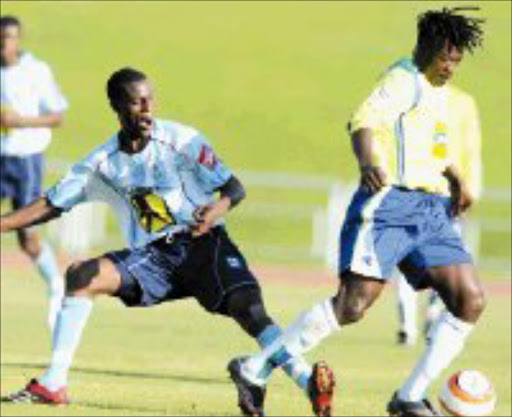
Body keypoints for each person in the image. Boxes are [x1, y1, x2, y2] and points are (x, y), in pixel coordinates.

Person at [0, 67, 328, 416]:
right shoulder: (101, 164)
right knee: (81, 276)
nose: (146, 108)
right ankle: (53, 384)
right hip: (154, 258)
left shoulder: (182, 140)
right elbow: (50, 205)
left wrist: (216, 210)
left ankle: (309, 384)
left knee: (250, 309)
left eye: (149, 99)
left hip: (205, 245)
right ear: (115, 105)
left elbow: (234, 188)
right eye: (136, 101)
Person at [228, 7, 486, 417]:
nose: (452, 67)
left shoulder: (436, 87)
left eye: (457, 60)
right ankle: (254, 368)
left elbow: (431, 144)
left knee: (469, 300)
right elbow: (363, 121)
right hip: (390, 204)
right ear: (426, 47)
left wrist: (455, 178)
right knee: (352, 305)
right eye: (446, 57)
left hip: (432, 209)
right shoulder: (402, 79)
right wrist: (368, 162)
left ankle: (408, 398)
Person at [395, 81, 483, 346]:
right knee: (443, 261)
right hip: (433, 194)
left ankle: (412, 325)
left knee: (412, 259)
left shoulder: (455, 101)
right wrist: (470, 192)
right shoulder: (456, 100)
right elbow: (472, 152)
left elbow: (470, 150)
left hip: (437, 194)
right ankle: (420, 321)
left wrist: (468, 192)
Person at [1, 15, 68, 332]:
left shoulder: (35, 71)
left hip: (25, 158)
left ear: (18, 39)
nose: (4, 43)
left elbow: (57, 116)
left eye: (9, 37)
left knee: (27, 238)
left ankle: (56, 285)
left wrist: (20, 122)